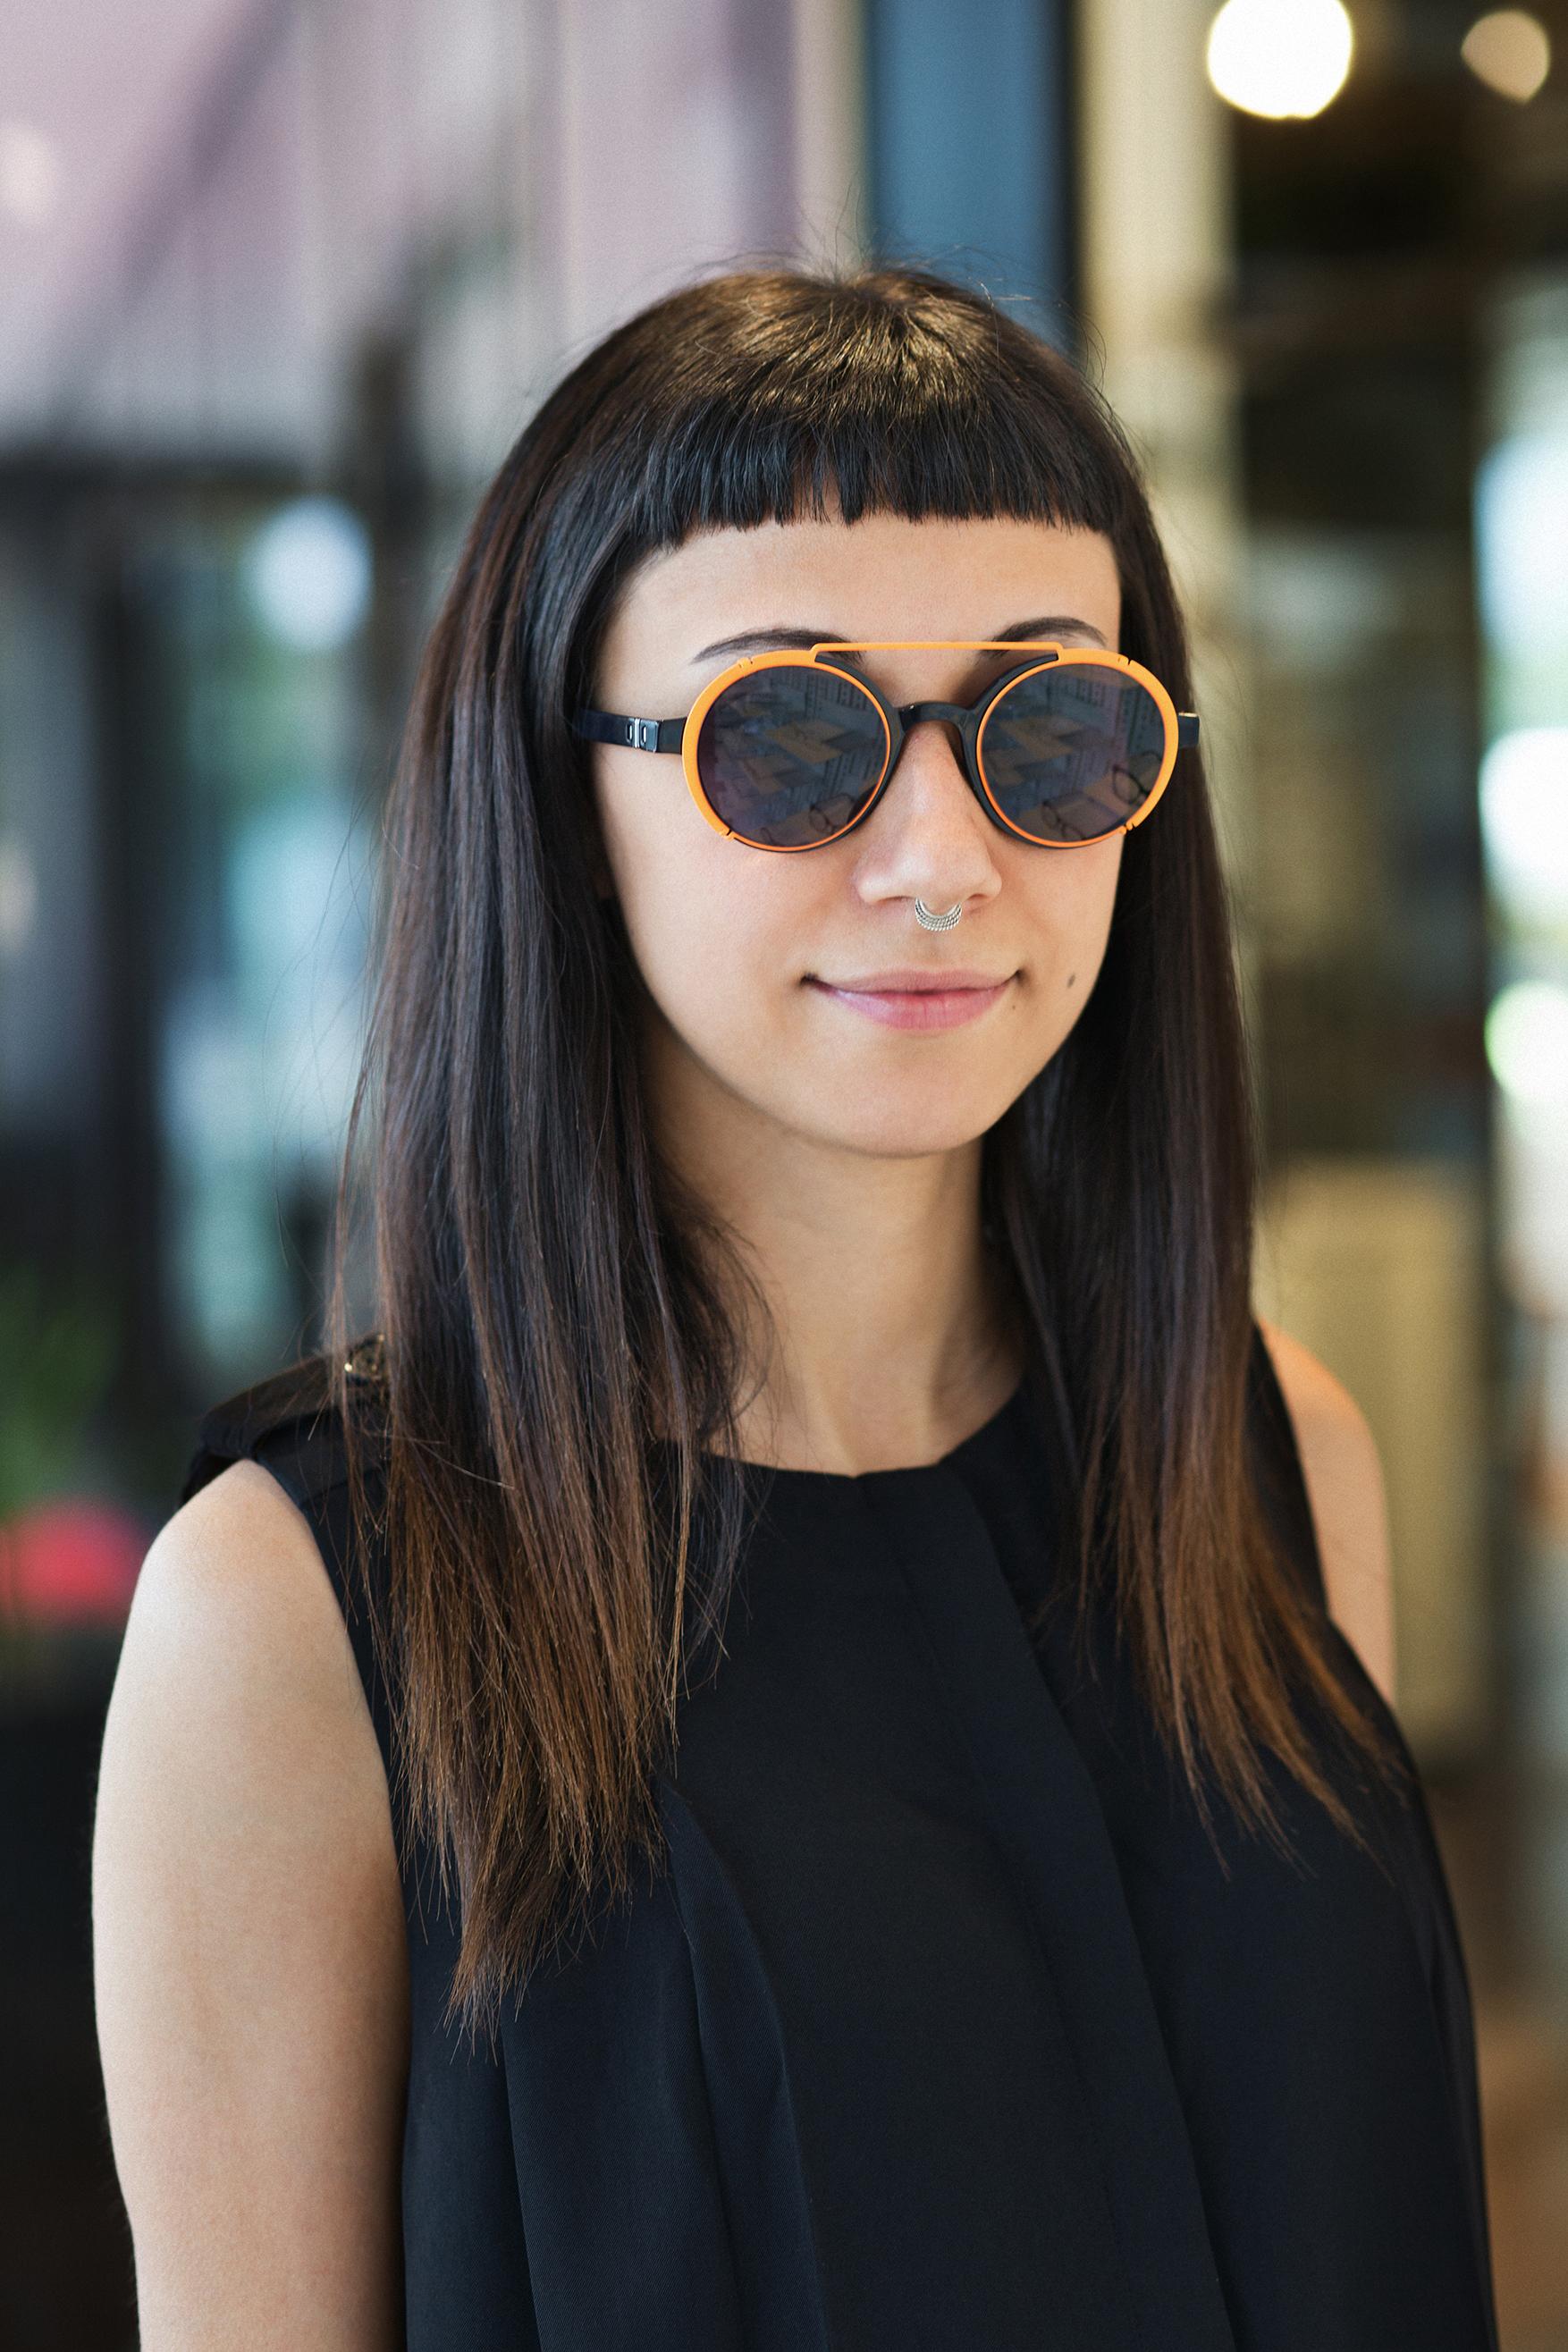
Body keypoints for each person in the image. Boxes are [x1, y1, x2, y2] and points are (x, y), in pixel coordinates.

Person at [92, 269, 1496, 2352]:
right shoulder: (306, 1610)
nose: (941, 856)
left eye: (1056, 729)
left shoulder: (1268, 1460)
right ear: (569, 797)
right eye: (793, 735)